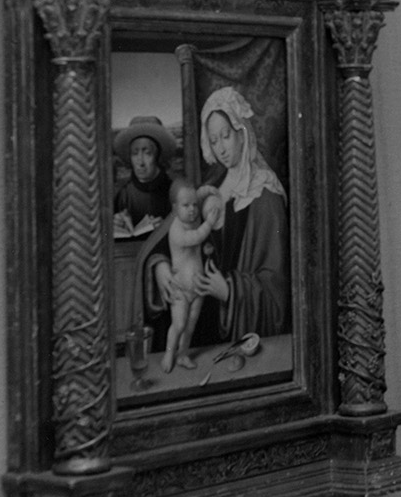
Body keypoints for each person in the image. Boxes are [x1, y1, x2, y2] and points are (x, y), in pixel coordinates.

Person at [144, 86, 289, 350]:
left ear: (242, 134)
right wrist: (161, 265)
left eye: (225, 136)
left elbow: (276, 292)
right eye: (213, 140)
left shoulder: (265, 196)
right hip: (195, 312)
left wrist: (229, 290)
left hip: (228, 325)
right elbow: (168, 237)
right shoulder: (213, 183)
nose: (220, 148)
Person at [159, 180, 221, 373]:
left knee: (191, 324)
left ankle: (183, 354)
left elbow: (197, 194)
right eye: (186, 206)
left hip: (197, 287)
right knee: (178, 324)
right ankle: (169, 353)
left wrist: (207, 190)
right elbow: (195, 238)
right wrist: (209, 223)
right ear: (175, 208)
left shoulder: (191, 217)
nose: (193, 209)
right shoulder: (176, 230)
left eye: (195, 205)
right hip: (181, 288)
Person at [112, 115, 176, 235]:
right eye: (135, 153)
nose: (140, 162)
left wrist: (167, 228)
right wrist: (114, 225)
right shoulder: (123, 196)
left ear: (157, 156)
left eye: (147, 153)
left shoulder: (174, 191)